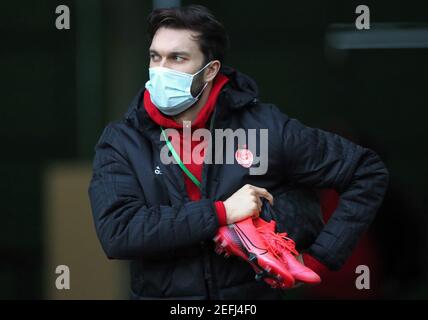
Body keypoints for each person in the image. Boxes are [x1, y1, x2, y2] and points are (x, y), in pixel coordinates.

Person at [88, 5, 389, 300]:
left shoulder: (266, 127)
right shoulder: (123, 140)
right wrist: (222, 213)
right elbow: (118, 233)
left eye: (177, 58)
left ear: (210, 71)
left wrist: (318, 260)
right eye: (155, 57)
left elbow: (366, 171)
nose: (161, 70)